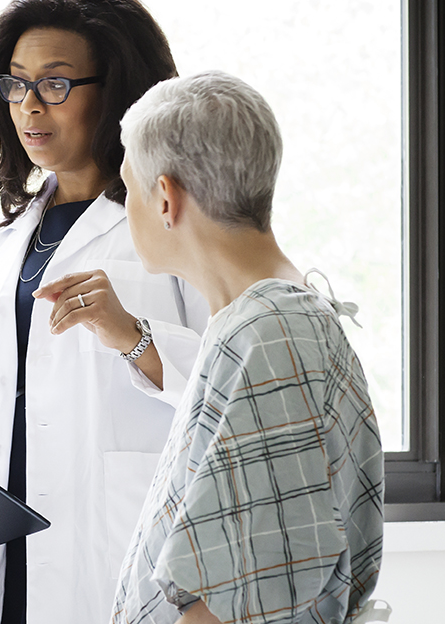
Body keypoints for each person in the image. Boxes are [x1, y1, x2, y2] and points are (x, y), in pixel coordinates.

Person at [0, 0, 208, 623]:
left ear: (118, 91)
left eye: (55, 84)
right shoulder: (4, 237)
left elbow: (234, 384)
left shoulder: (177, 217)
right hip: (9, 551)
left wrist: (134, 335)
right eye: (16, 85)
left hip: (120, 547)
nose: (30, 107)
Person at [110, 70, 385, 624]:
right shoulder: (260, 322)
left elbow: (230, 601)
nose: (125, 207)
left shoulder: (273, 331)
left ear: (165, 198)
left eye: (127, 189)